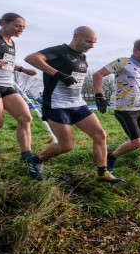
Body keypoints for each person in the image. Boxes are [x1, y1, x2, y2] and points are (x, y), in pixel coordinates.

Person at [24, 26, 122, 182]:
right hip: (57, 105)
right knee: (66, 145)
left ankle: (102, 172)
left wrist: (98, 96)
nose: (92, 46)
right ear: (76, 36)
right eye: (89, 41)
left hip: (77, 103)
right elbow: (31, 58)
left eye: (94, 43)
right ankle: (35, 160)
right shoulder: (60, 51)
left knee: (100, 135)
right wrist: (59, 74)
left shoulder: (82, 57)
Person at [92, 39, 140, 181]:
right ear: (136, 51)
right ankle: (112, 157)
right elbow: (98, 75)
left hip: (139, 109)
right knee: (137, 142)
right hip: (124, 109)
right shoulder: (122, 62)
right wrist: (99, 95)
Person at [0, 13, 39, 175]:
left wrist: (23, 69)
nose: (21, 29)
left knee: (25, 117)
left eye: (23, 27)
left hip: (6, 85)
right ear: (4, 23)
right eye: (17, 26)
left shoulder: (11, 42)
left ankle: (26, 155)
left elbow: (7, 62)